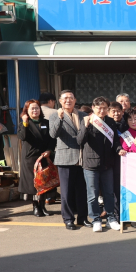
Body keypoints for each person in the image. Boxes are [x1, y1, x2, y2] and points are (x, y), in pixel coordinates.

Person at [77, 96, 124, 233]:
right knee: (92, 194)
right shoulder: (87, 120)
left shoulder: (110, 121)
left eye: (104, 108)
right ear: (93, 108)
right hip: (90, 163)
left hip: (107, 163)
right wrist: (86, 126)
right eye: (99, 108)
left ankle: (111, 218)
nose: (102, 110)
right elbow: (80, 141)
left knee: (109, 193)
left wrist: (119, 149)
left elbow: (115, 140)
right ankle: (96, 219)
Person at [49, 90, 89, 231]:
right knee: (66, 192)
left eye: (71, 98)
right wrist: (60, 119)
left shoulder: (83, 115)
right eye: (65, 98)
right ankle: (68, 219)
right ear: (60, 101)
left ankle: (83, 218)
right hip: (65, 158)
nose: (68, 100)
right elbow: (53, 134)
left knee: (82, 191)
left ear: (75, 100)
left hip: (82, 158)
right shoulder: (55, 115)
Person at [18, 99, 56, 217]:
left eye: (37, 108)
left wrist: (49, 150)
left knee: (44, 182)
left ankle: (43, 206)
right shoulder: (24, 123)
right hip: (30, 158)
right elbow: (23, 137)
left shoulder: (46, 122)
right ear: (26, 111)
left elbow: (52, 139)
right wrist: (25, 122)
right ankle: (35, 206)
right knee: (33, 183)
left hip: (44, 156)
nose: (35, 110)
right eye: (32, 108)